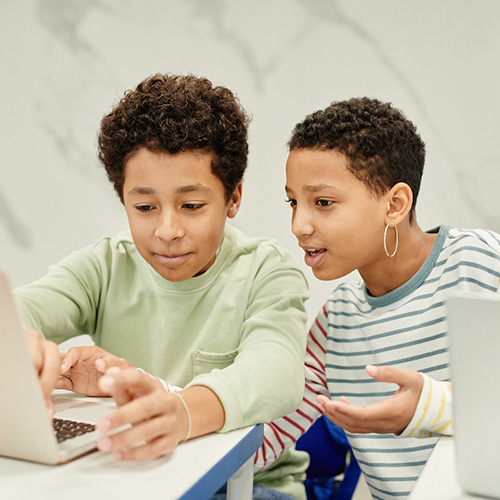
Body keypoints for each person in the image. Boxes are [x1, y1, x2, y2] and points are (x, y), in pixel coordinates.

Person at [15, 74, 309, 498]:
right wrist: (20, 346)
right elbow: (26, 306)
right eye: (145, 207)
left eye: (191, 206)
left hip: (248, 485)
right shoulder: (105, 264)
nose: (167, 230)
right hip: (141, 477)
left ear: (233, 199)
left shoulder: (266, 270)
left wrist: (183, 412)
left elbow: (277, 370)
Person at [254, 97, 500, 500]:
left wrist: (431, 406)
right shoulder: (335, 321)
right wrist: (178, 410)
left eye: (323, 202)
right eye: (293, 202)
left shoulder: (485, 262)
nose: (298, 225)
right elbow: (268, 440)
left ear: (395, 204)